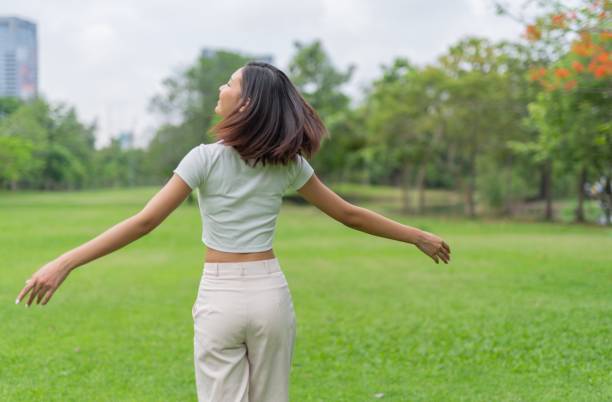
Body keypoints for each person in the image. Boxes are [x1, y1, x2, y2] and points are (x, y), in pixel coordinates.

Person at [15, 61, 451, 401]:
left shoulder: (203, 158)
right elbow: (348, 214)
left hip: (220, 298)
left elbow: (145, 221)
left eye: (229, 84)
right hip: (270, 296)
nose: (221, 89)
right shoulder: (288, 163)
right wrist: (418, 235)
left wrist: (65, 261)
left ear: (245, 105)